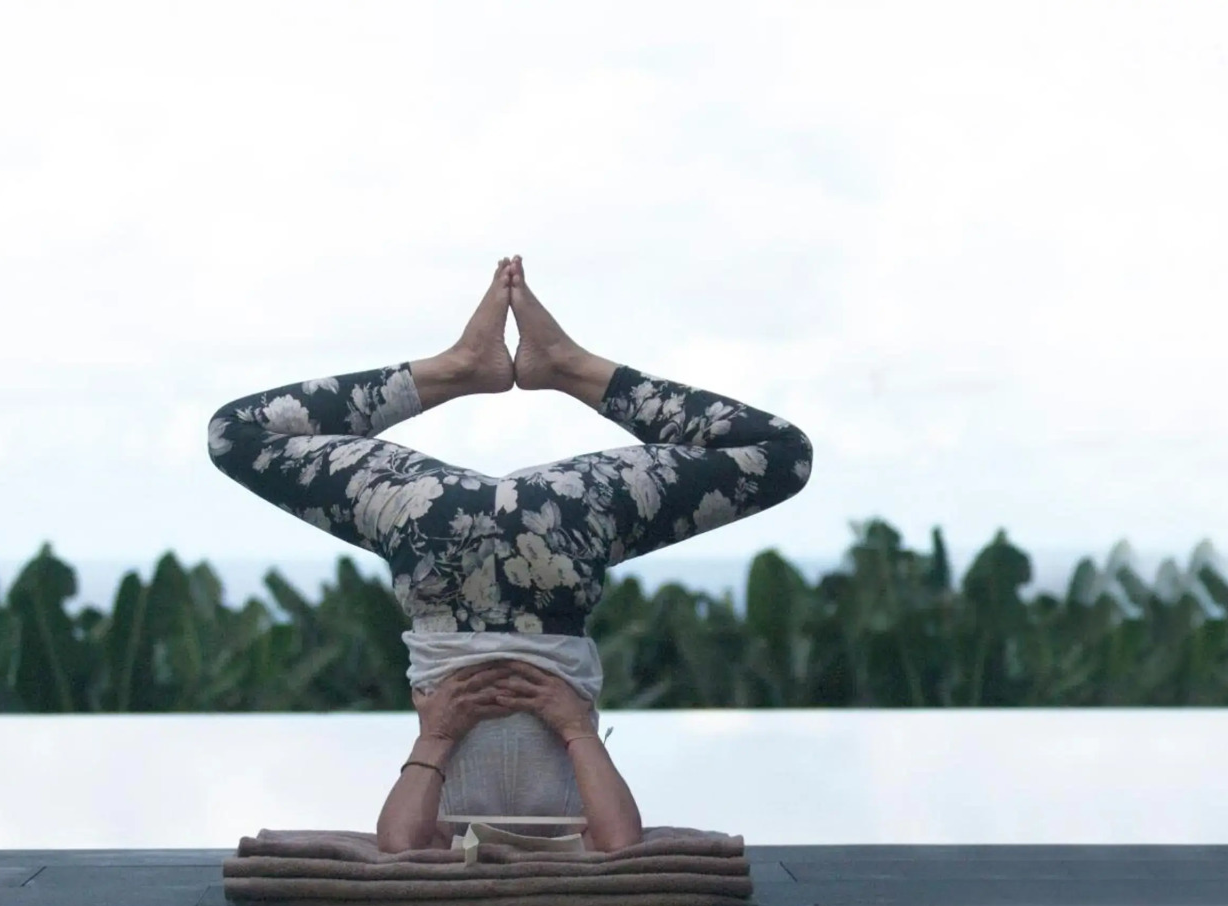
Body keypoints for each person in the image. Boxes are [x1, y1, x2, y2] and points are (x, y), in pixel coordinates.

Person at [208, 256, 813, 853]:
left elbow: (397, 844)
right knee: (781, 454)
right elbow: (623, 844)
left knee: (780, 454)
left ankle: (480, 367)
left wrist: (439, 736)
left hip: (474, 544)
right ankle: (540, 366)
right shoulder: (579, 837)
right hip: (513, 538)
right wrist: (576, 728)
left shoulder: (445, 838)